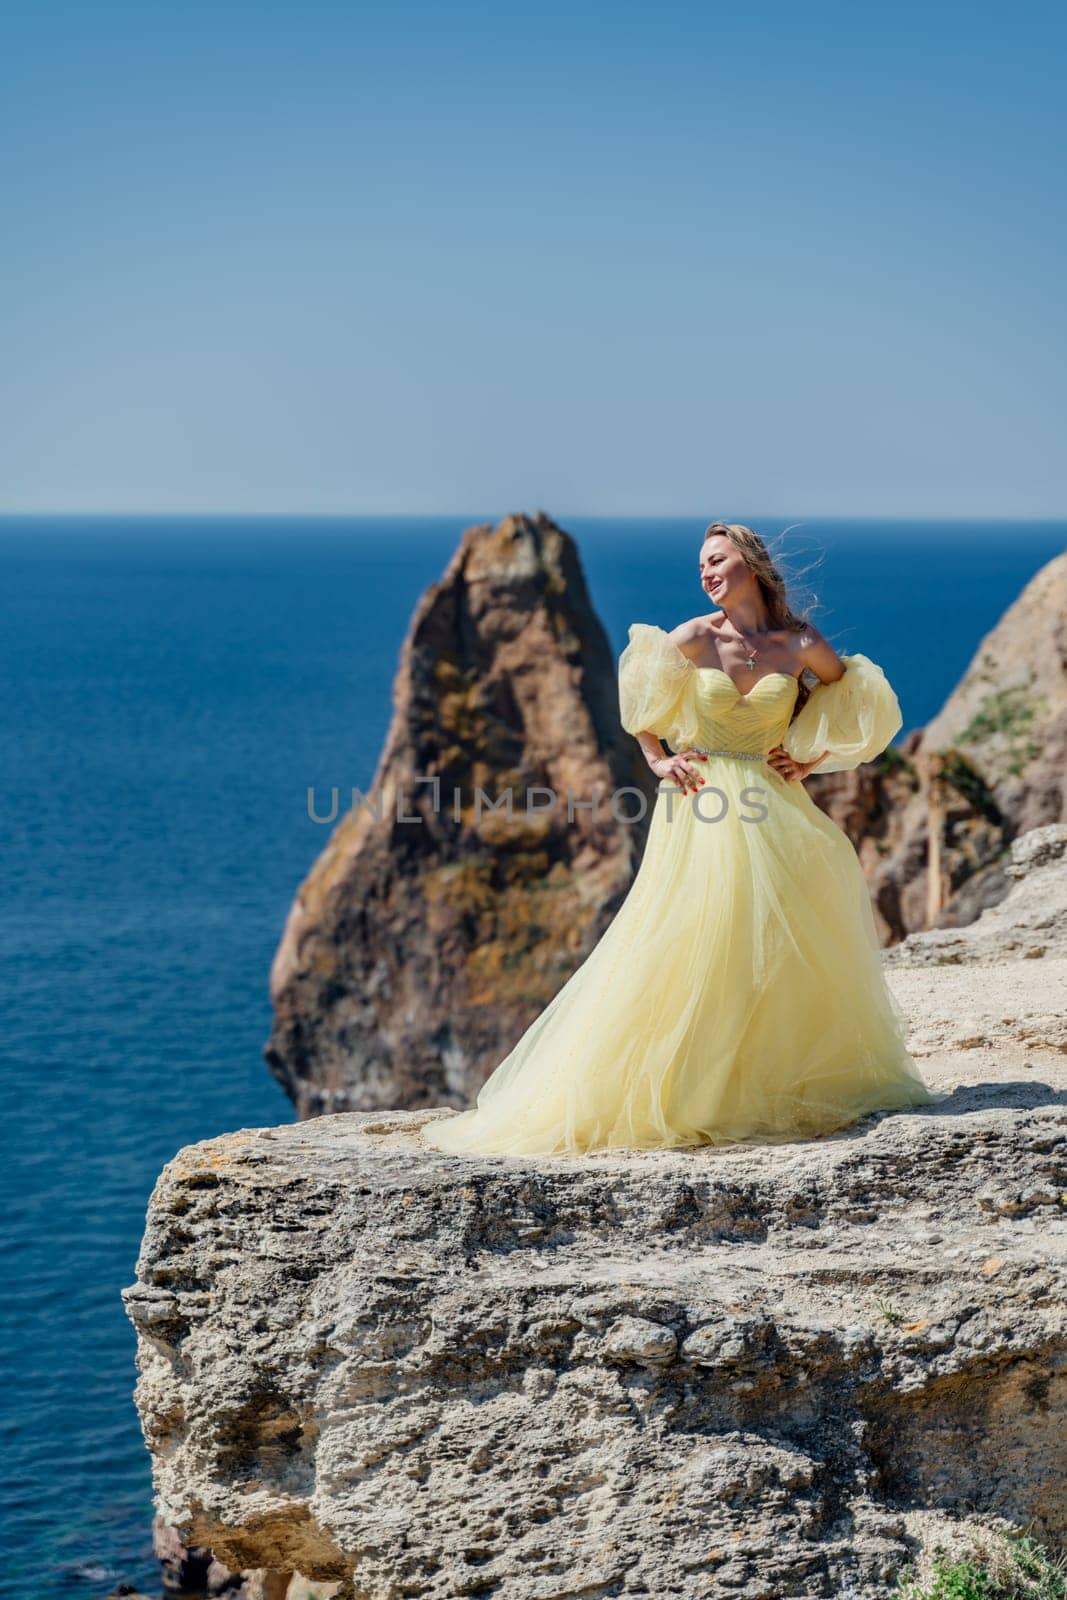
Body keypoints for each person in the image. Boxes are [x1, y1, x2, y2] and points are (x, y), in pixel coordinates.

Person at [420, 521, 939, 1158]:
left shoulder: (799, 642)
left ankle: (767, 1081)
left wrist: (813, 758)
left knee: (774, 942)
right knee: (702, 935)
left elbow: (857, 697)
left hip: (773, 803)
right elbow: (640, 700)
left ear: (750, 563)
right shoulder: (693, 637)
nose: (707, 574)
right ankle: (690, 1089)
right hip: (704, 802)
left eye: (717, 560)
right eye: (701, 566)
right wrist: (657, 759)